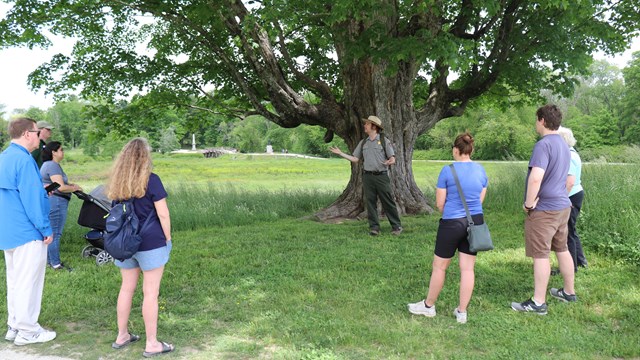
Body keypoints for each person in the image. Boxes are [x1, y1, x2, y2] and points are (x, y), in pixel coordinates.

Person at [408, 133, 487, 324]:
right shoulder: (481, 170)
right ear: (471, 150)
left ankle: (428, 306)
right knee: (468, 269)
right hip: (474, 222)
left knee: (440, 267)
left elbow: (439, 203)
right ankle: (462, 312)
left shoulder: (447, 170)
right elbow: (480, 199)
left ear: (455, 150)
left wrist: (451, 211)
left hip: (451, 222)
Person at [106, 138, 175, 357]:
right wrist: (168, 237)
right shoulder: (151, 180)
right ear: (145, 157)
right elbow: (163, 213)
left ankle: (122, 335)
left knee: (126, 288)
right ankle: (152, 343)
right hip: (151, 242)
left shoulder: (118, 183)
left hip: (124, 243)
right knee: (150, 293)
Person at [511, 105, 577, 315]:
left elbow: (536, 177)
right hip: (562, 206)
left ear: (541, 120)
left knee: (541, 255)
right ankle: (568, 292)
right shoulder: (564, 145)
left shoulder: (543, 145)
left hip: (545, 209)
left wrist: (529, 204)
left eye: (536, 119)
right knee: (562, 248)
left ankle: (538, 303)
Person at [0, 118, 57, 345]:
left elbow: (14, 193)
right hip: (27, 230)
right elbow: (31, 199)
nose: (40, 136)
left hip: (8, 230)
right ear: (27, 134)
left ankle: (14, 325)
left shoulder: (4, 157)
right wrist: (45, 228)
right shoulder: (24, 160)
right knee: (29, 282)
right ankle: (28, 331)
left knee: (15, 281)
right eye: (37, 132)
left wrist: (39, 190)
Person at [329, 115, 403, 236]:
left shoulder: (384, 141)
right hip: (368, 177)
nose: (365, 126)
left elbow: (393, 158)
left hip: (381, 177)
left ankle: (396, 227)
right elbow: (355, 159)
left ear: (374, 126)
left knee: (388, 201)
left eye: (367, 124)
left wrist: (391, 161)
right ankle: (374, 228)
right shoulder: (363, 142)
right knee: (370, 202)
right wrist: (340, 153)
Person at [40, 141, 82, 270]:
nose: (63, 152)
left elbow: (58, 184)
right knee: (55, 233)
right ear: (54, 152)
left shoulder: (47, 165)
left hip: (52, 201)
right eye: (61, 150)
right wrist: (74, 188)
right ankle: (56, 264)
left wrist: (70, 185)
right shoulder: (53, 165)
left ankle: (48, 261)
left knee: (50, 232)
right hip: (57, 202)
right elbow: (61, 187)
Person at [558, 126, 587, 272]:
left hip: (570, 195)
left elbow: (569, 181)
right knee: (572, 230)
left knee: (567, 232)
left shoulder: (568, 156)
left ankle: (571, 266)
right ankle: (581, 261)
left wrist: (562, 199)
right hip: (575, 194)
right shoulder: (572, 153)